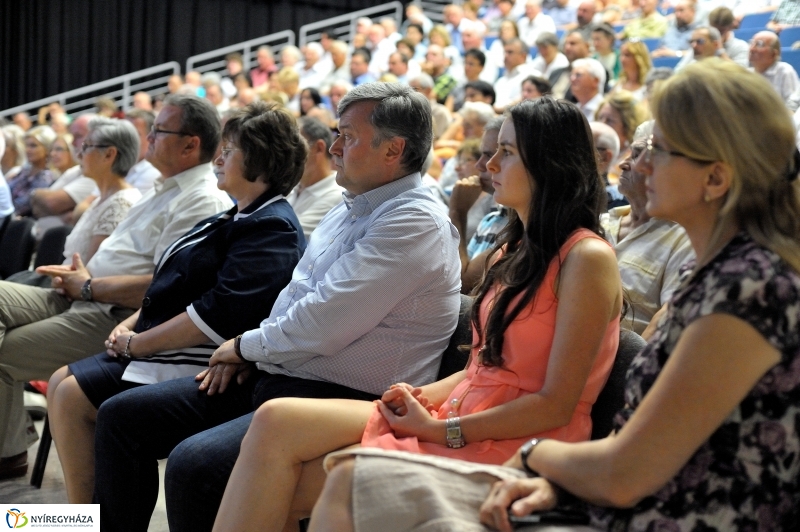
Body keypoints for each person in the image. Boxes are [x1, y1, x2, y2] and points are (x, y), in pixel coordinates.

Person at [315, 59, 800, 532]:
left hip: (668, 514)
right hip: (617, 494)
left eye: (662, 150)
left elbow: (627, 471)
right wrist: (557, 482)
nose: (641, 163)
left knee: (350, 482)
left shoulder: (748, 288)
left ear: (715, 179)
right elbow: (636, 445)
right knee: (339, 475)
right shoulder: (714, 272)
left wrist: (535, 458)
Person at [211, 97, 623, 532]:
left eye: (507, 152)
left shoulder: (587, 258)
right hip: (466, 411)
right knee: (276, 419)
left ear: (549, 163)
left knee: (325, 483)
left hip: (523, 440)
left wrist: (443, 429)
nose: (489, 164)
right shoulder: (512, 251)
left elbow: (554, 405)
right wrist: (417, 394)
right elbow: (480, 370)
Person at [90, 83, 462, 532]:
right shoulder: (349, 209)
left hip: (346, 398)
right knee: (120, 416)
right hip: (286, 374)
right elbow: (293, 300)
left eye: (348, 135)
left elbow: (323, 322)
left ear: (394, 149)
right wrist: (254, 353)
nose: (335, 147)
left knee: (195, 465)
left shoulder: (414, 220)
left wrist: (245, 349)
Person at [47, 102, 307, 504]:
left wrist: (138, 343)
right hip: (168, 338)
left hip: (204, 356)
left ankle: (93, 522)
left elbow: (219, 311)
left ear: (259, 158)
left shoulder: (272, 225)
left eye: (229, 150)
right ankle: (84, 518)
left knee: (83, 400)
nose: (218, 159)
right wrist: (134, 322)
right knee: (61, 386)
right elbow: (172, 284)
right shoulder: (234, 216)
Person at [0, 94, 232, 479]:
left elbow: (166, 285)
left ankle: (9, 455)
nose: (150, 138)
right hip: (82, 294)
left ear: (191, 144)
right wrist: (82, 281)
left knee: (5, 351)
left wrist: (89, 287)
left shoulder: (200, 198)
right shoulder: (161, 189)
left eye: (158, 131)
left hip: (115, 312)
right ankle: (9, 448)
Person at [601, 121, 694, 335]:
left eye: (639, 155)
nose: (624, 164)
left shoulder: (683, 238)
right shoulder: (601, 221)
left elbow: (666, 320)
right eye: (632, 154)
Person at [285, 117, 343, 240]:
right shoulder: (292, 187)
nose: (286, 154)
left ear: (318, 148)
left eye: (293, 146)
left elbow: (284, 235)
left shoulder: (337, 195)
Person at [8, 125, 56, 216]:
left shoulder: (46, 177)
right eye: (27, 146)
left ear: (47, 148)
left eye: (33, 146)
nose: (28, 150)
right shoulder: (24, 171)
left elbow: (23, 206)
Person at [750, 30, 800, 104]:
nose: (752, 49)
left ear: (773, 54)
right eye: (751, 43)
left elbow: (793, 106)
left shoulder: (784, 71)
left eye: (759, 44)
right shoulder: (746, 73)